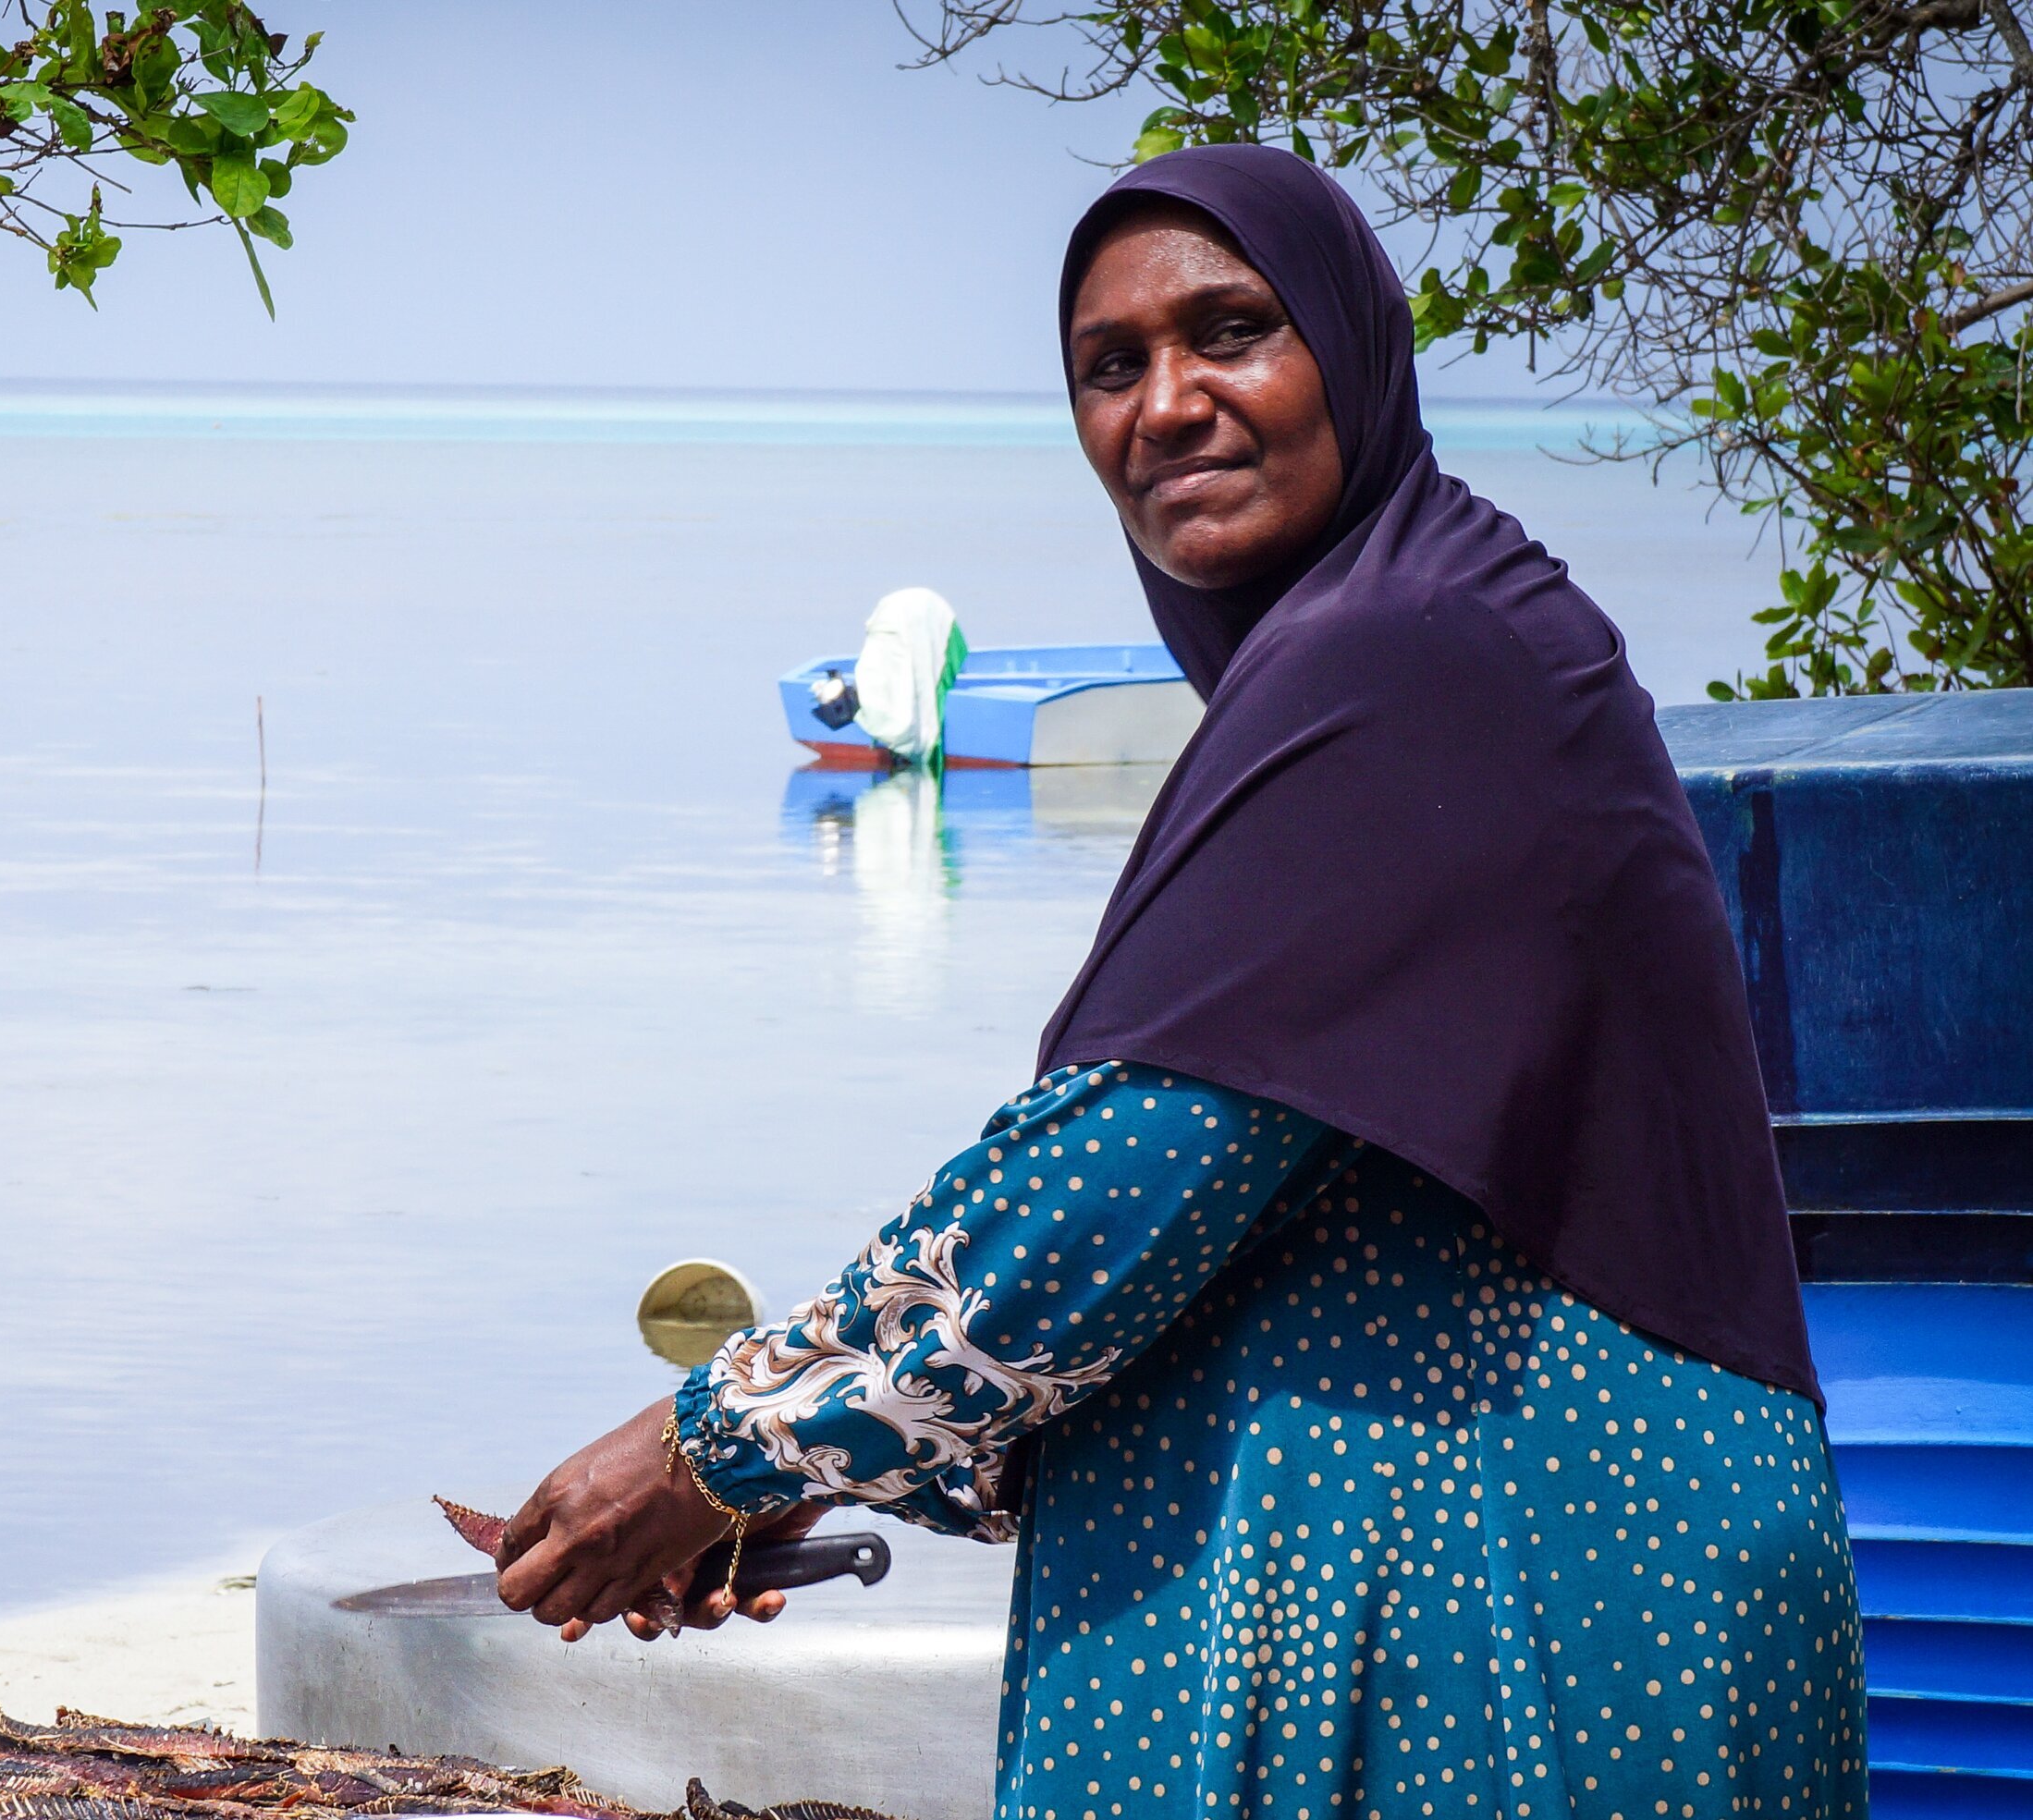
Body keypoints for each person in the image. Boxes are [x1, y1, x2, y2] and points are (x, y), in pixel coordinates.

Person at [491, 145, 1868, 1819]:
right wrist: (816, 1472)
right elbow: (1242, 1261)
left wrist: (712, 1445)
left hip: (1546, 1602)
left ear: (1354, 351)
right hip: (1482, 1569)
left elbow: (1125, 1176)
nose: (1168, 403)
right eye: (1110, 365)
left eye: (1233, 331)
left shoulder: (1412, 655)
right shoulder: (1402, 639)